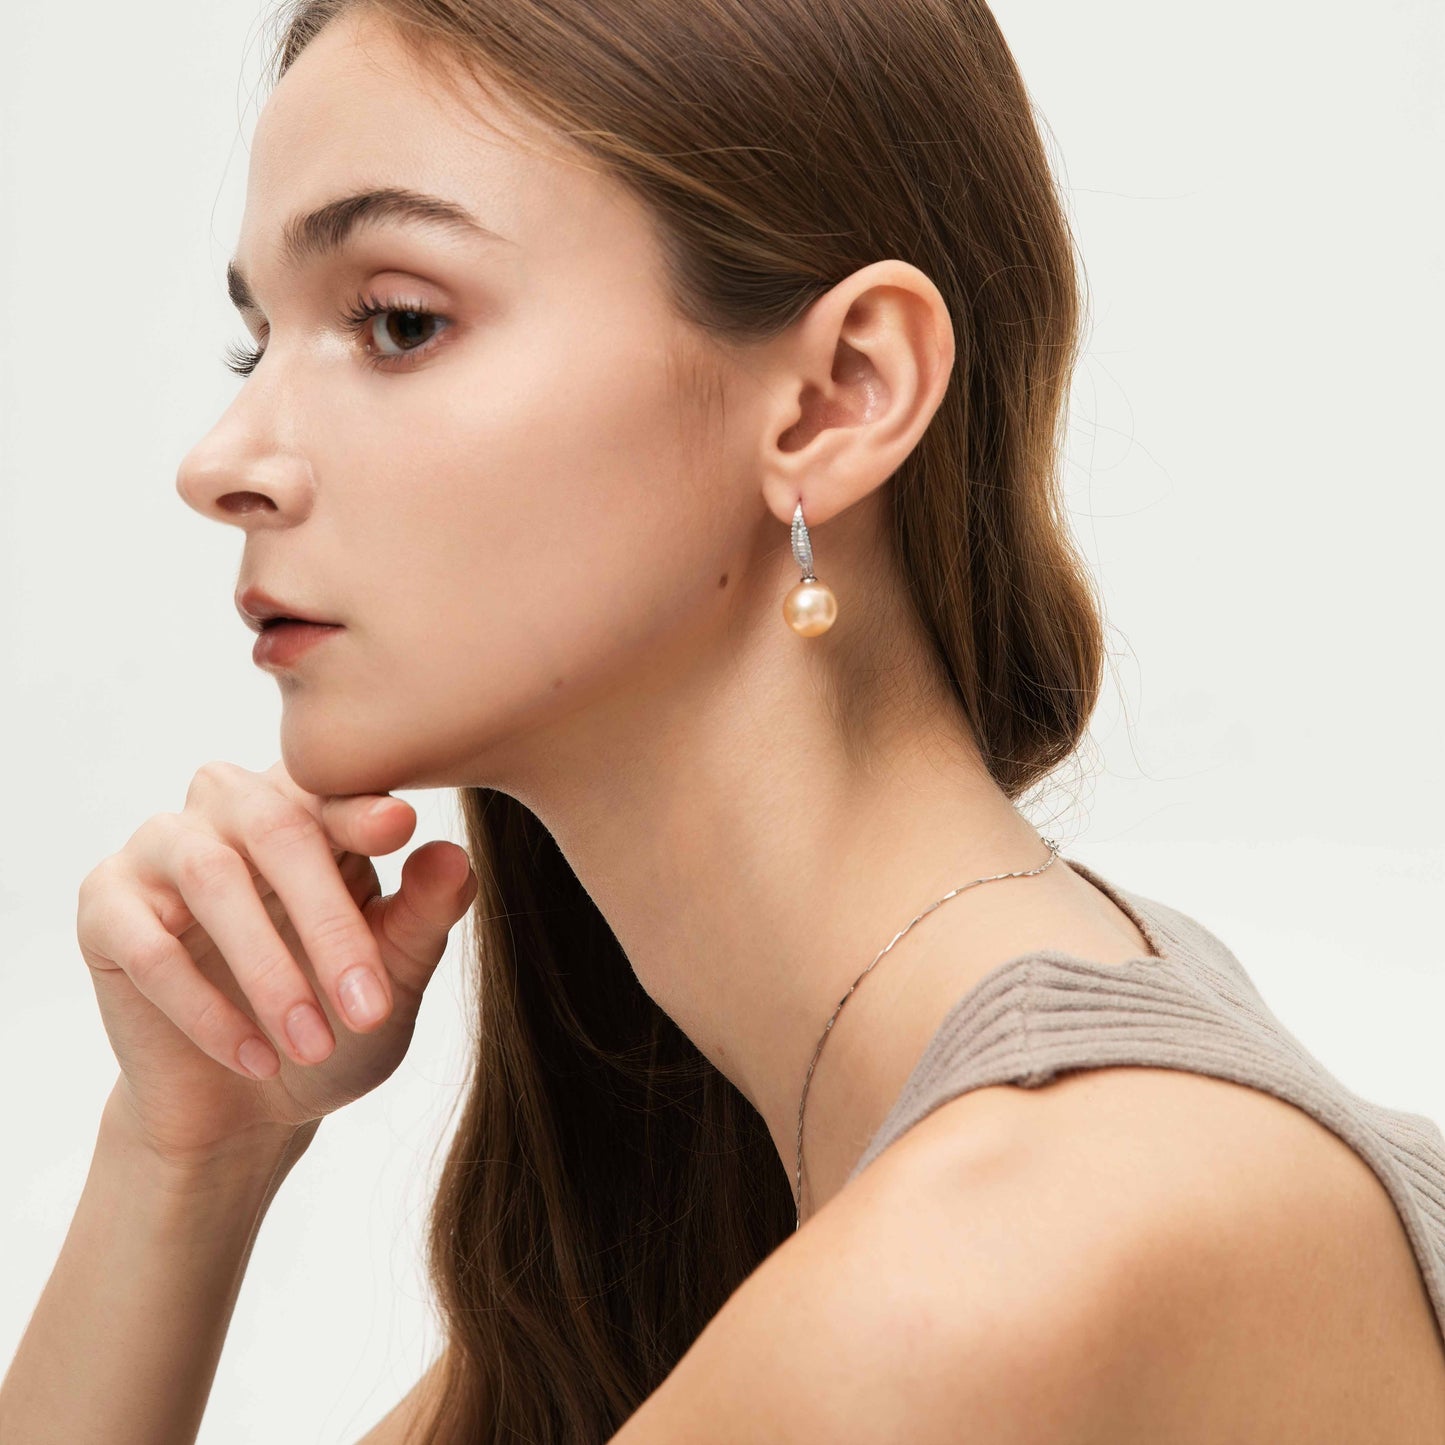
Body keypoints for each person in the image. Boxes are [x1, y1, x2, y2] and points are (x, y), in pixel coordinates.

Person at [3, 1, 1444, 1441]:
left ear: (835, 398)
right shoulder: (770, 1171)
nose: (222, 461)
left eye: (397, 322)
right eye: (254, 341)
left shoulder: (985, 1272)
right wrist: (185, 1154)